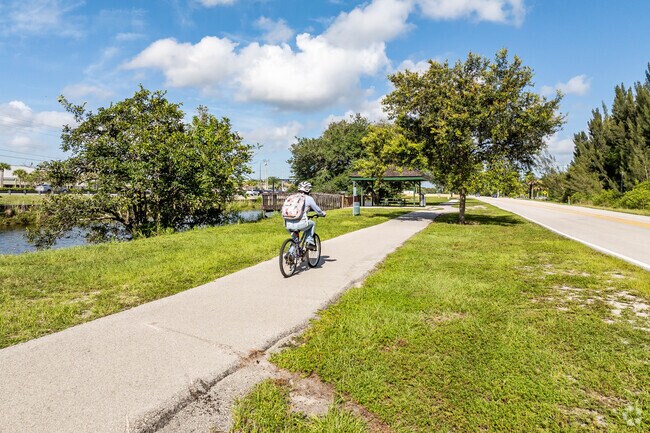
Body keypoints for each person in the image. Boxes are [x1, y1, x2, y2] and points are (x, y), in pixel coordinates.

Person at [284, 181, 326, 249]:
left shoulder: (292, 197)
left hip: (288, 224)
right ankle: (309, 241)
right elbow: (318, 210)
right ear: (308, 189)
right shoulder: (308, 198)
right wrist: (322, 214)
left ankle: (290, 254)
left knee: (295, 240)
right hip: (300, 223)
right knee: (312, 224)